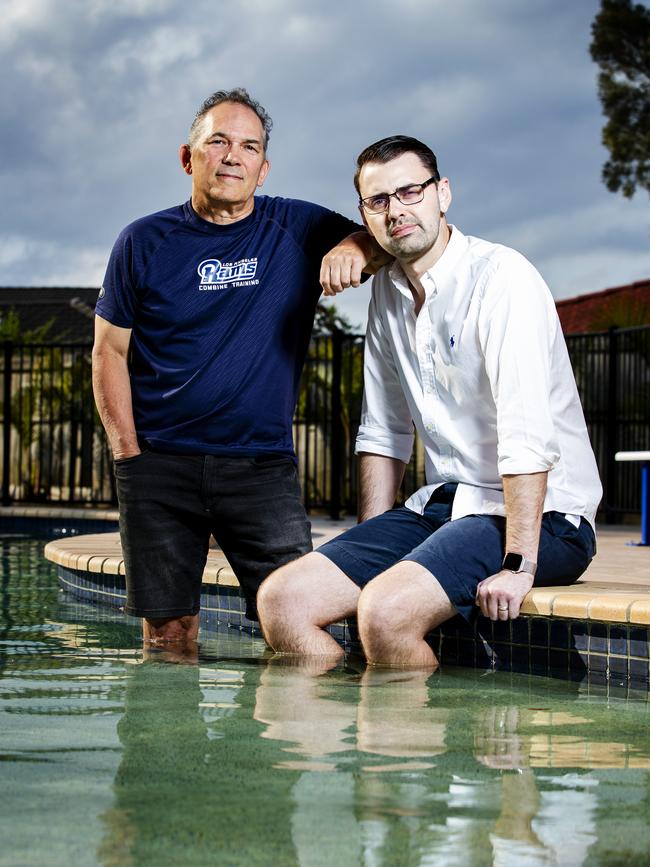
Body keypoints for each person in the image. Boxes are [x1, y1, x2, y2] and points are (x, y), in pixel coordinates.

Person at [257, 135, 602, 667]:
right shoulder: (388, 294)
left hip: (545, 519)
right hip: (444, 507)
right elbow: (383, 431)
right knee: (284, 602)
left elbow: (526, 435)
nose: (397, 210)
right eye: (379, 201)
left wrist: (518, 564)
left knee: (385, 613)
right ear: (365, 217)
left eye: (410, 192)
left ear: (443, 194)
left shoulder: (501, 278)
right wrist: (372, 540)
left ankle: (418, 747)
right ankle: (339, 740)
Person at [92, 88, 386, 648]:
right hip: (159, 464)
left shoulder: (294, 225)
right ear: (188, 157)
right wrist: (127, 454)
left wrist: (354, 246)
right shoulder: (142, 241)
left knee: (300, 615)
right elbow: (108, 353)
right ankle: (172, 734)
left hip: (261, 468)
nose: (233, 155)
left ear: (264, 166)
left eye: (249, 146)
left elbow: (387, 237)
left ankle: (274, 734)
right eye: (218, 141)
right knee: (169, 631)